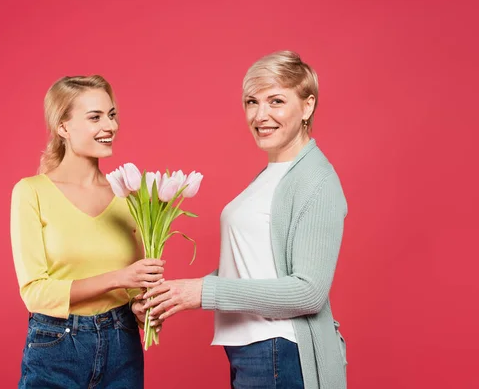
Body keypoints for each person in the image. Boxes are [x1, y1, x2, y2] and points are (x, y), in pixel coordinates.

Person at [137, 51, 348, 389]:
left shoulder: (315, 180)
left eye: (276, 101)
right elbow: (255, 269)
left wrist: (202, 291)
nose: (260, 115)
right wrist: (175, 294)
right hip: (254, 353)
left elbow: (308, 292)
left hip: (280, 353)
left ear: (307, 106)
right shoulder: (273, 174)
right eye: (252, 102)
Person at [10, 75, 164, 389]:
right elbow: (35, 293)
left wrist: (142, 308)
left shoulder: (130, 195)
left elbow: (136, 288)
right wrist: (120, 278)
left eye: (111, 115)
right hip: (56, 346)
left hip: (122, 344)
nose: (110, 126)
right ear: (63, 127)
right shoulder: (32, 192)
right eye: (95, 117)